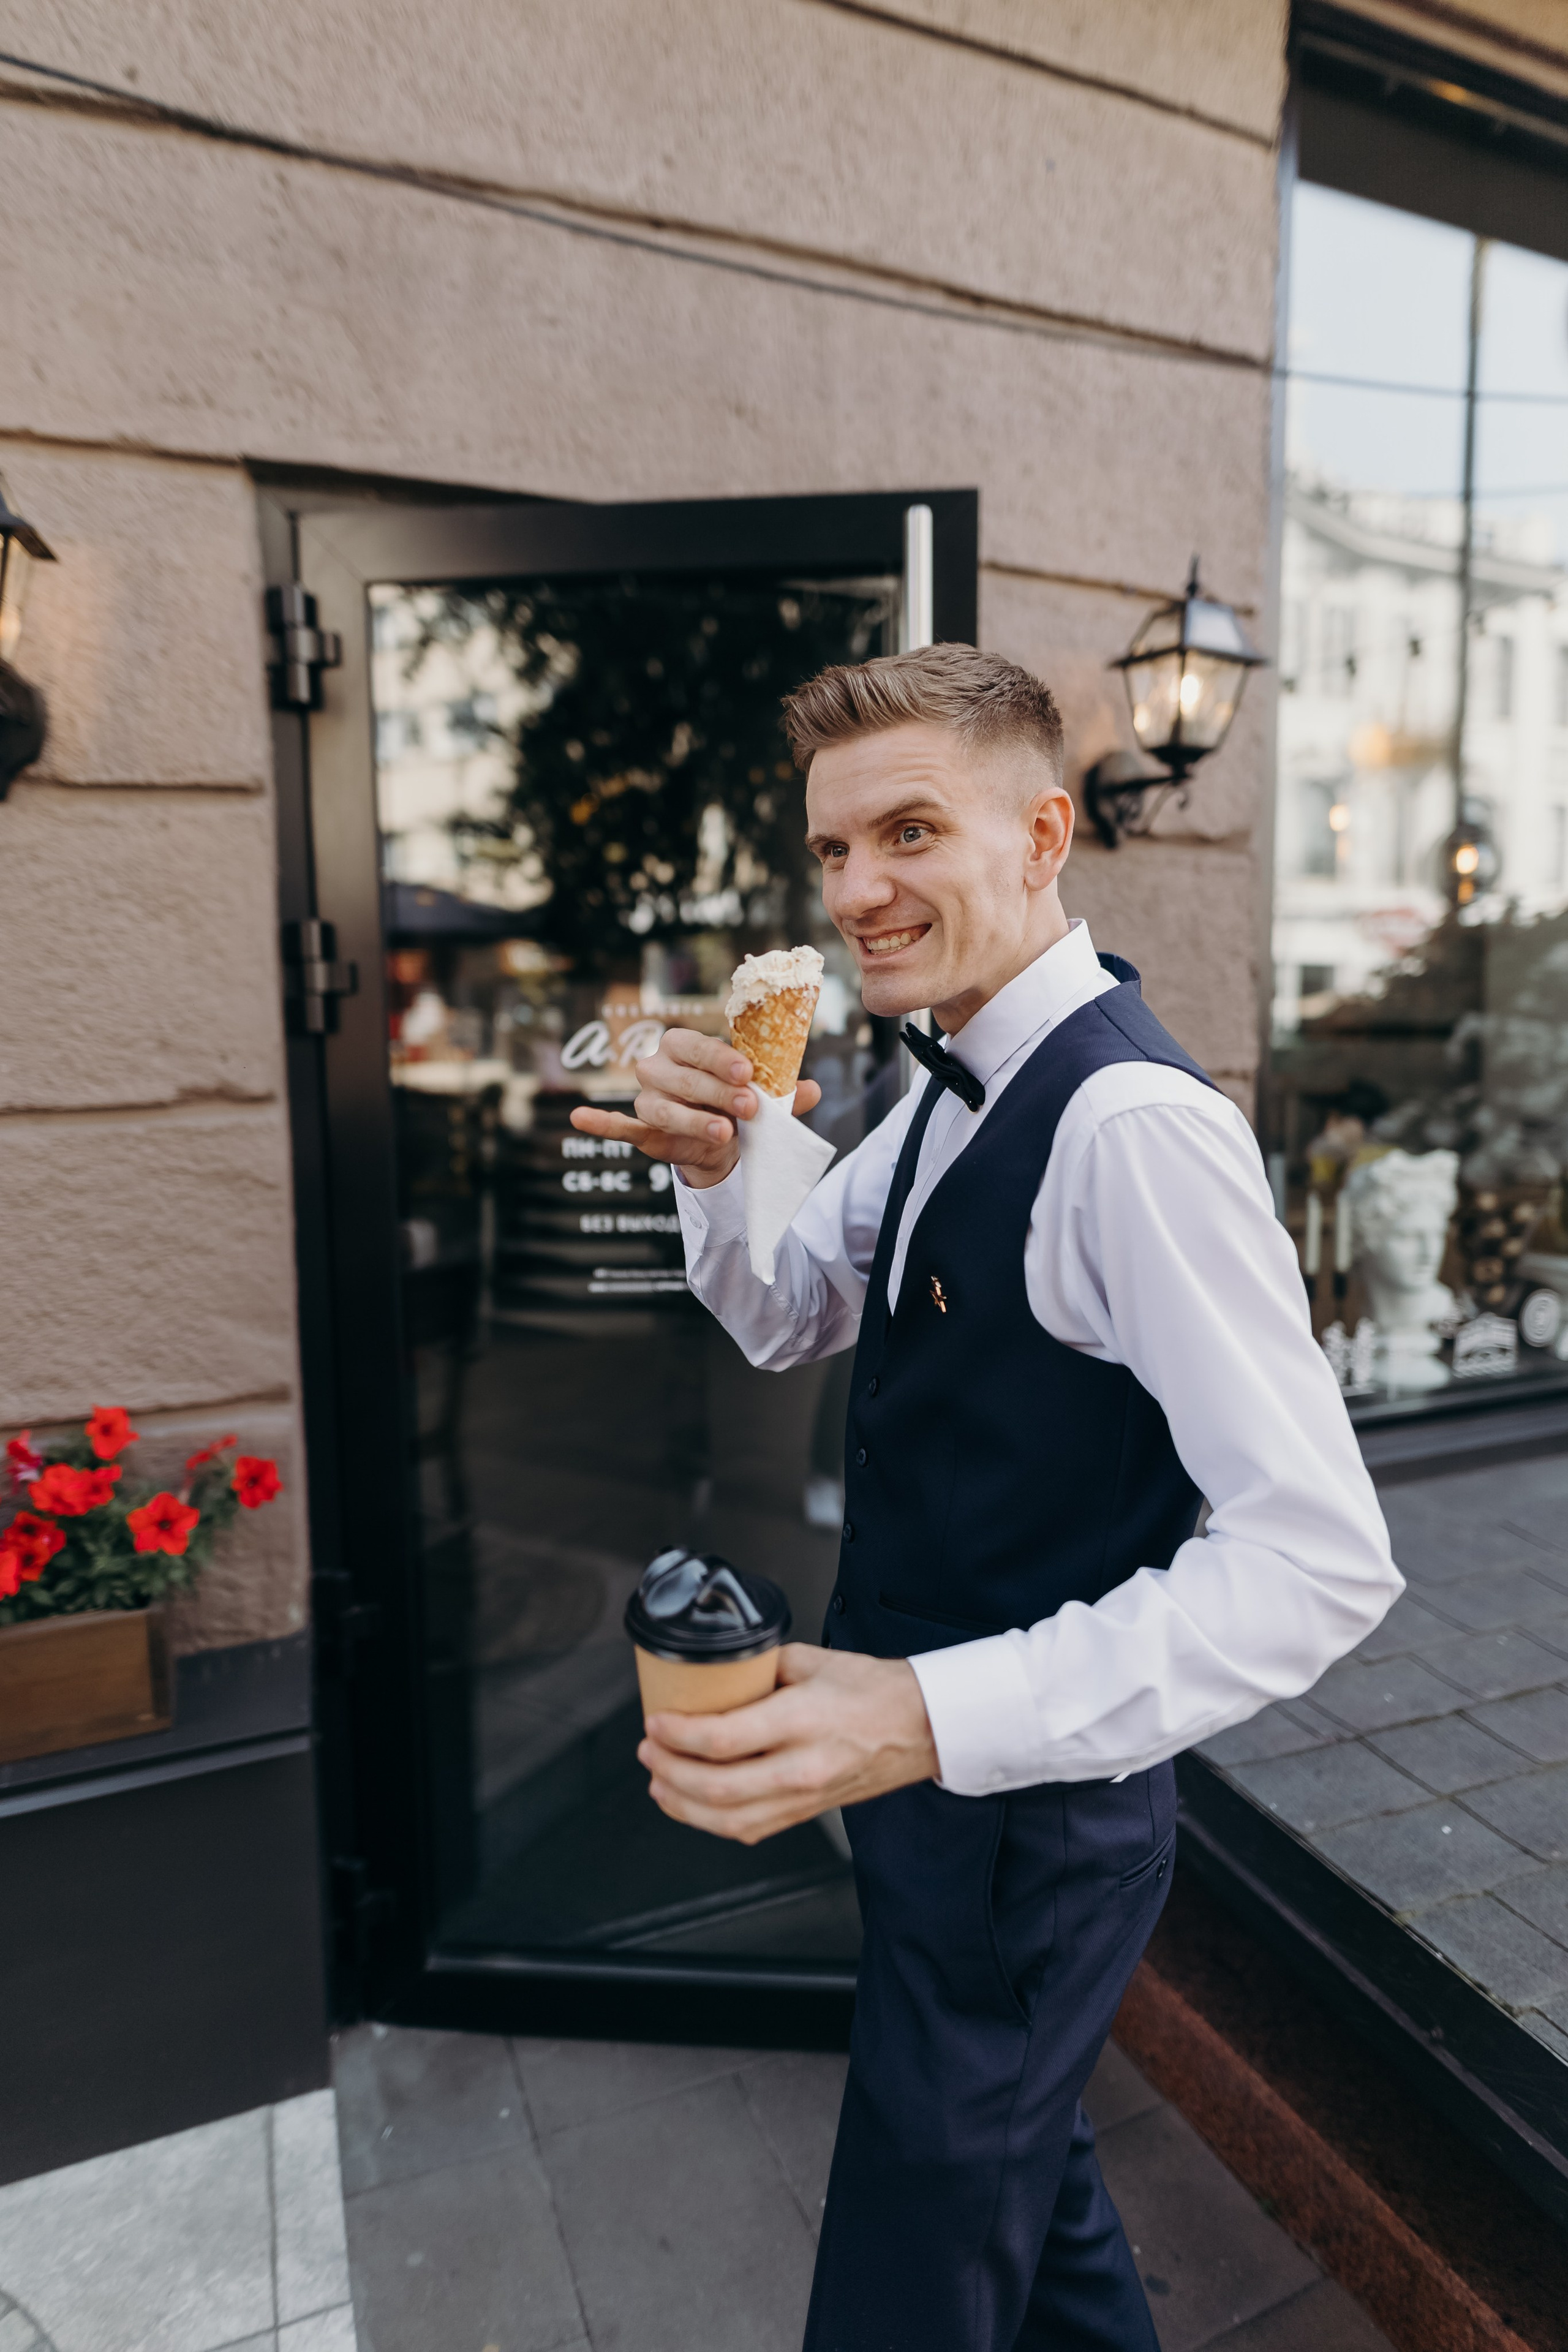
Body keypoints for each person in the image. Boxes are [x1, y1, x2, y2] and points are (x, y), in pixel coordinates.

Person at [570, 646, 1399, 2352]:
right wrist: (726, 1161)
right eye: (832, 851)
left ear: (1044, 836)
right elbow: (794, 1300)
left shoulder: (1130, 1131)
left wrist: (926, 1716)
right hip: (949, 1801)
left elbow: (1321, 1561)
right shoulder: (954, 1075)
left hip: (1035, 1824)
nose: (859, 889)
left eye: (911, 832)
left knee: (913, 2258)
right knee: (1025, 2186)